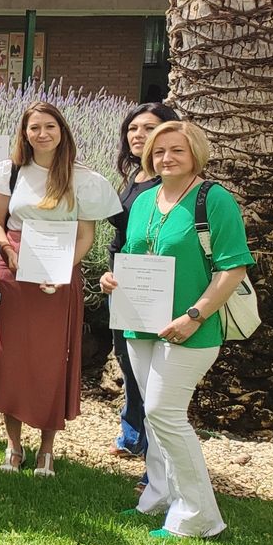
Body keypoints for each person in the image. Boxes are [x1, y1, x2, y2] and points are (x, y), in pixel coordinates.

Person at [100, 121, 251, 539]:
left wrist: (194, 316)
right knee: (152, 416)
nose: (166, 158)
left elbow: (233, 267)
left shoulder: (214, 200)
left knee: (164, 413)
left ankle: (199, 515)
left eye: (177, 151)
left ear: (196, 153)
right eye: (159, 151)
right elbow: (131, 256)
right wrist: (110, 280)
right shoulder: (146, 199)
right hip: (141, 325)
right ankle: (159, 496)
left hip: (191, 329)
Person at [0, 101, 121, 478]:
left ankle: (47, 448)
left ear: (63, 131)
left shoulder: (85, 179)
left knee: (50, 361)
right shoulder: (9, 173)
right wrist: (8, 251)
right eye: (34, 127)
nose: (41, 134)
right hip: (14, 273)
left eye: (49, 127)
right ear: (24, 133)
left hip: (58, 277)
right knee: (10, 358)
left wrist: (60, 269)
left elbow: (87, 235)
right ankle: (13, 445)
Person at [103, 102, 180, 469]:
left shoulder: (168, 181)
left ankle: (154, 450)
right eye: (133, 129)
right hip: (123, 283)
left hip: (155, 287)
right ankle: (133, 432)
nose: (138, 135)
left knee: (151, 370)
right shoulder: (134, 178)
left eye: (149, 128)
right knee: (127, 359)